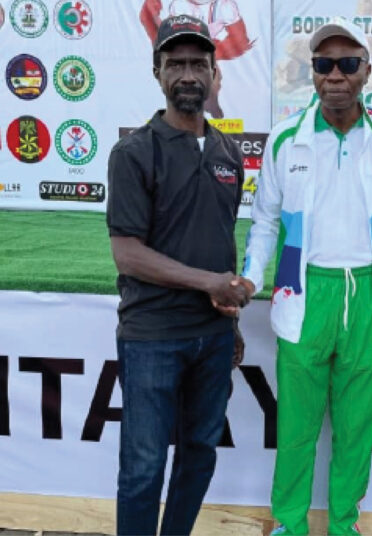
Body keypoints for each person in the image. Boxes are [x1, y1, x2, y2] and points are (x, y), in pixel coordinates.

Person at [239, 18, 372, 536]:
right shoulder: (286, 138)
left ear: (366, 70)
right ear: (311, 72)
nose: (334, 75)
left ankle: (344, 525)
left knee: (357, 427)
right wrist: (252, 279)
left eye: (347, 64)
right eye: (323, 65)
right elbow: (265, 221)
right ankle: (289, 526)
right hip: (304, 291)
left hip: (370, 295)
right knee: (295, 426)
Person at [106, 15, 250, 536]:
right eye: (176, 64)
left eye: (198, 64)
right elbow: (127, 254)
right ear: (157, 72)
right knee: (144, 467)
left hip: (212, 338)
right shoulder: (133, 152)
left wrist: (229, 319)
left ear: (216, 75)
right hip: (152, 337)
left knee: (199, 455)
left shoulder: (229, 153)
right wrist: (208, 284)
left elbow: (219, 242)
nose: (188, 74)